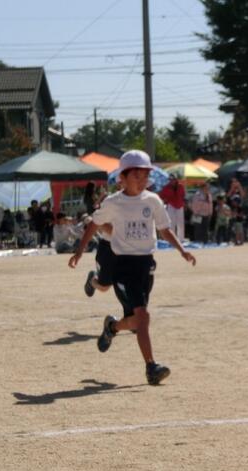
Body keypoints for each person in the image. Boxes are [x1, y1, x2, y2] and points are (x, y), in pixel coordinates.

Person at [68, 150, 196, 385]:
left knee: (136, 321)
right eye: (136, 175)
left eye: (145, 175)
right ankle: (151, 367)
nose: (142, 180)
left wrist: (182, 250)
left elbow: (164, 229)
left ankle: (112, 327)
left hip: (146, 265)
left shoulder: (153, 200)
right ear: (122, 177)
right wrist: (78, 252)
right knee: (142, 316)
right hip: (124, 266)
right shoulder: (113, 202)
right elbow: (94, 224)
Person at [159, 173, 186, 241]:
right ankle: (172, 239)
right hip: (171, 205)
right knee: (171, 223)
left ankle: (181, 239)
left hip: (180, 206)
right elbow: (161, 196)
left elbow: (183, 195)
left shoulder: (180, 186)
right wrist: (165, 200)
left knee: (180, 224)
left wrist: (183, 203)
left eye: (173, 179)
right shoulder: (166, 187)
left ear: (176, 179)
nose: (172, 181)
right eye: (170, 180)